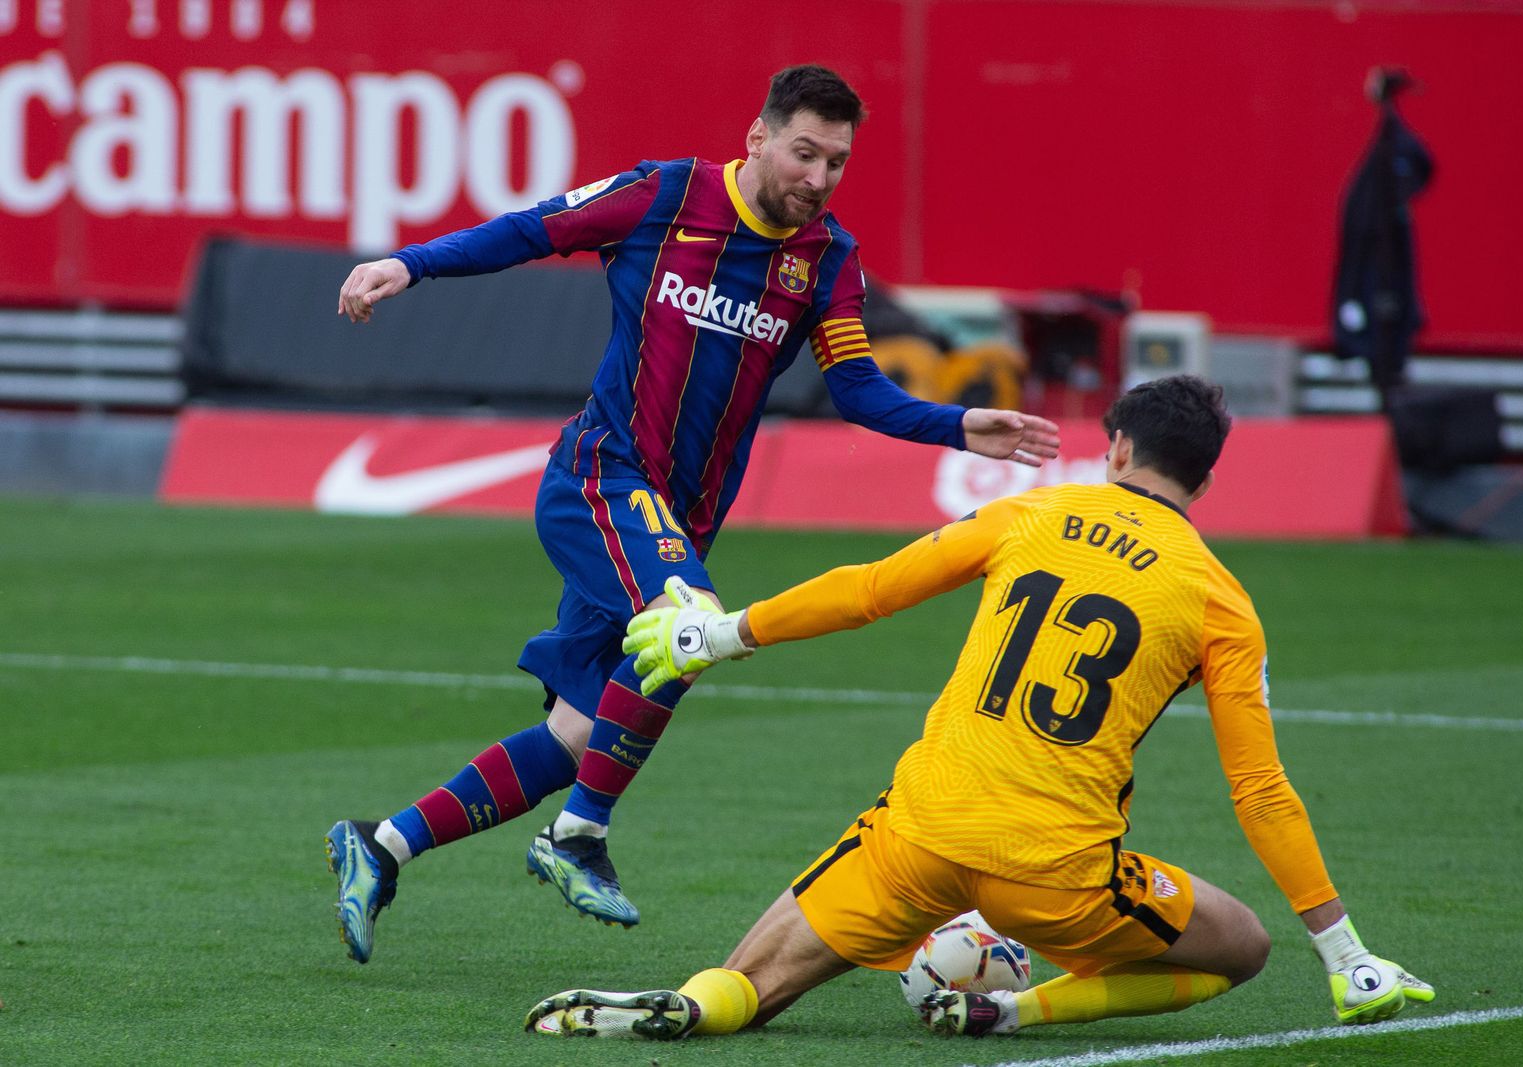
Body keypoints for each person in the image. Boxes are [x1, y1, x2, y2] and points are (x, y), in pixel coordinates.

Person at [322, 64, 1061, 963]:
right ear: (758, 138)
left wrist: (956, 425)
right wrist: (407, 263)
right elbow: (529, 231)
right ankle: (576, 838)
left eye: (836, 161)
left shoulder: (827, 260)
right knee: (690, 627)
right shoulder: (661, 195)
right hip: (602, 478)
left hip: (680, 520)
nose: (818, 178)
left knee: (578, 732)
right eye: (804, 153)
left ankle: (383, 844)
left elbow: (857, 388)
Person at [525, 375, 1434, 1040]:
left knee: (749, 983)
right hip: (1056, 877)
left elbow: (872, 589)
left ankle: (696, 1001)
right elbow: (1260, 789)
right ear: (1205, 480)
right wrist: (1343, 947)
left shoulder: (1030, 515)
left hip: (916, 837)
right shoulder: (1223, 602)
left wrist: (722, 634)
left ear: (1117, 447)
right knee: (1241, 946)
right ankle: (1013, 1011)